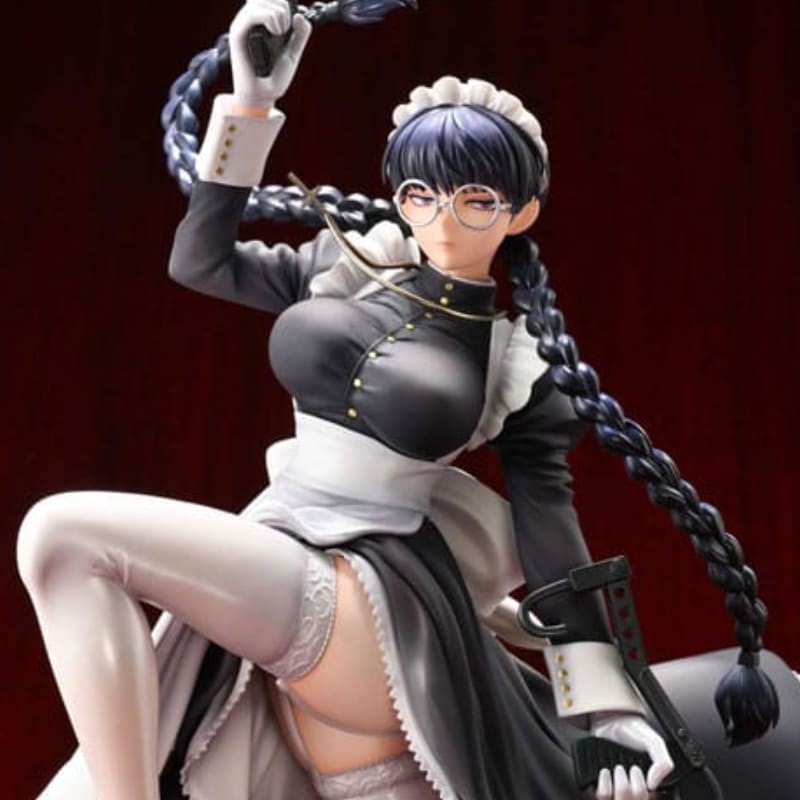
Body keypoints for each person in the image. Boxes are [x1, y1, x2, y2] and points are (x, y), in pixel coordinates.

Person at [21, 1, 789, 798]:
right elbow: (200, 263)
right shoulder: (342, 268)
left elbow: (551, 538)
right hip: (277, 547)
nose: (443, 218)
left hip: (366, 590)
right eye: (422, 193)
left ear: (521, 211)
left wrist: (605, 706)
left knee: (64, 534)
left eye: (477, 200)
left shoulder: (514, 363)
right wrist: (251, 104)